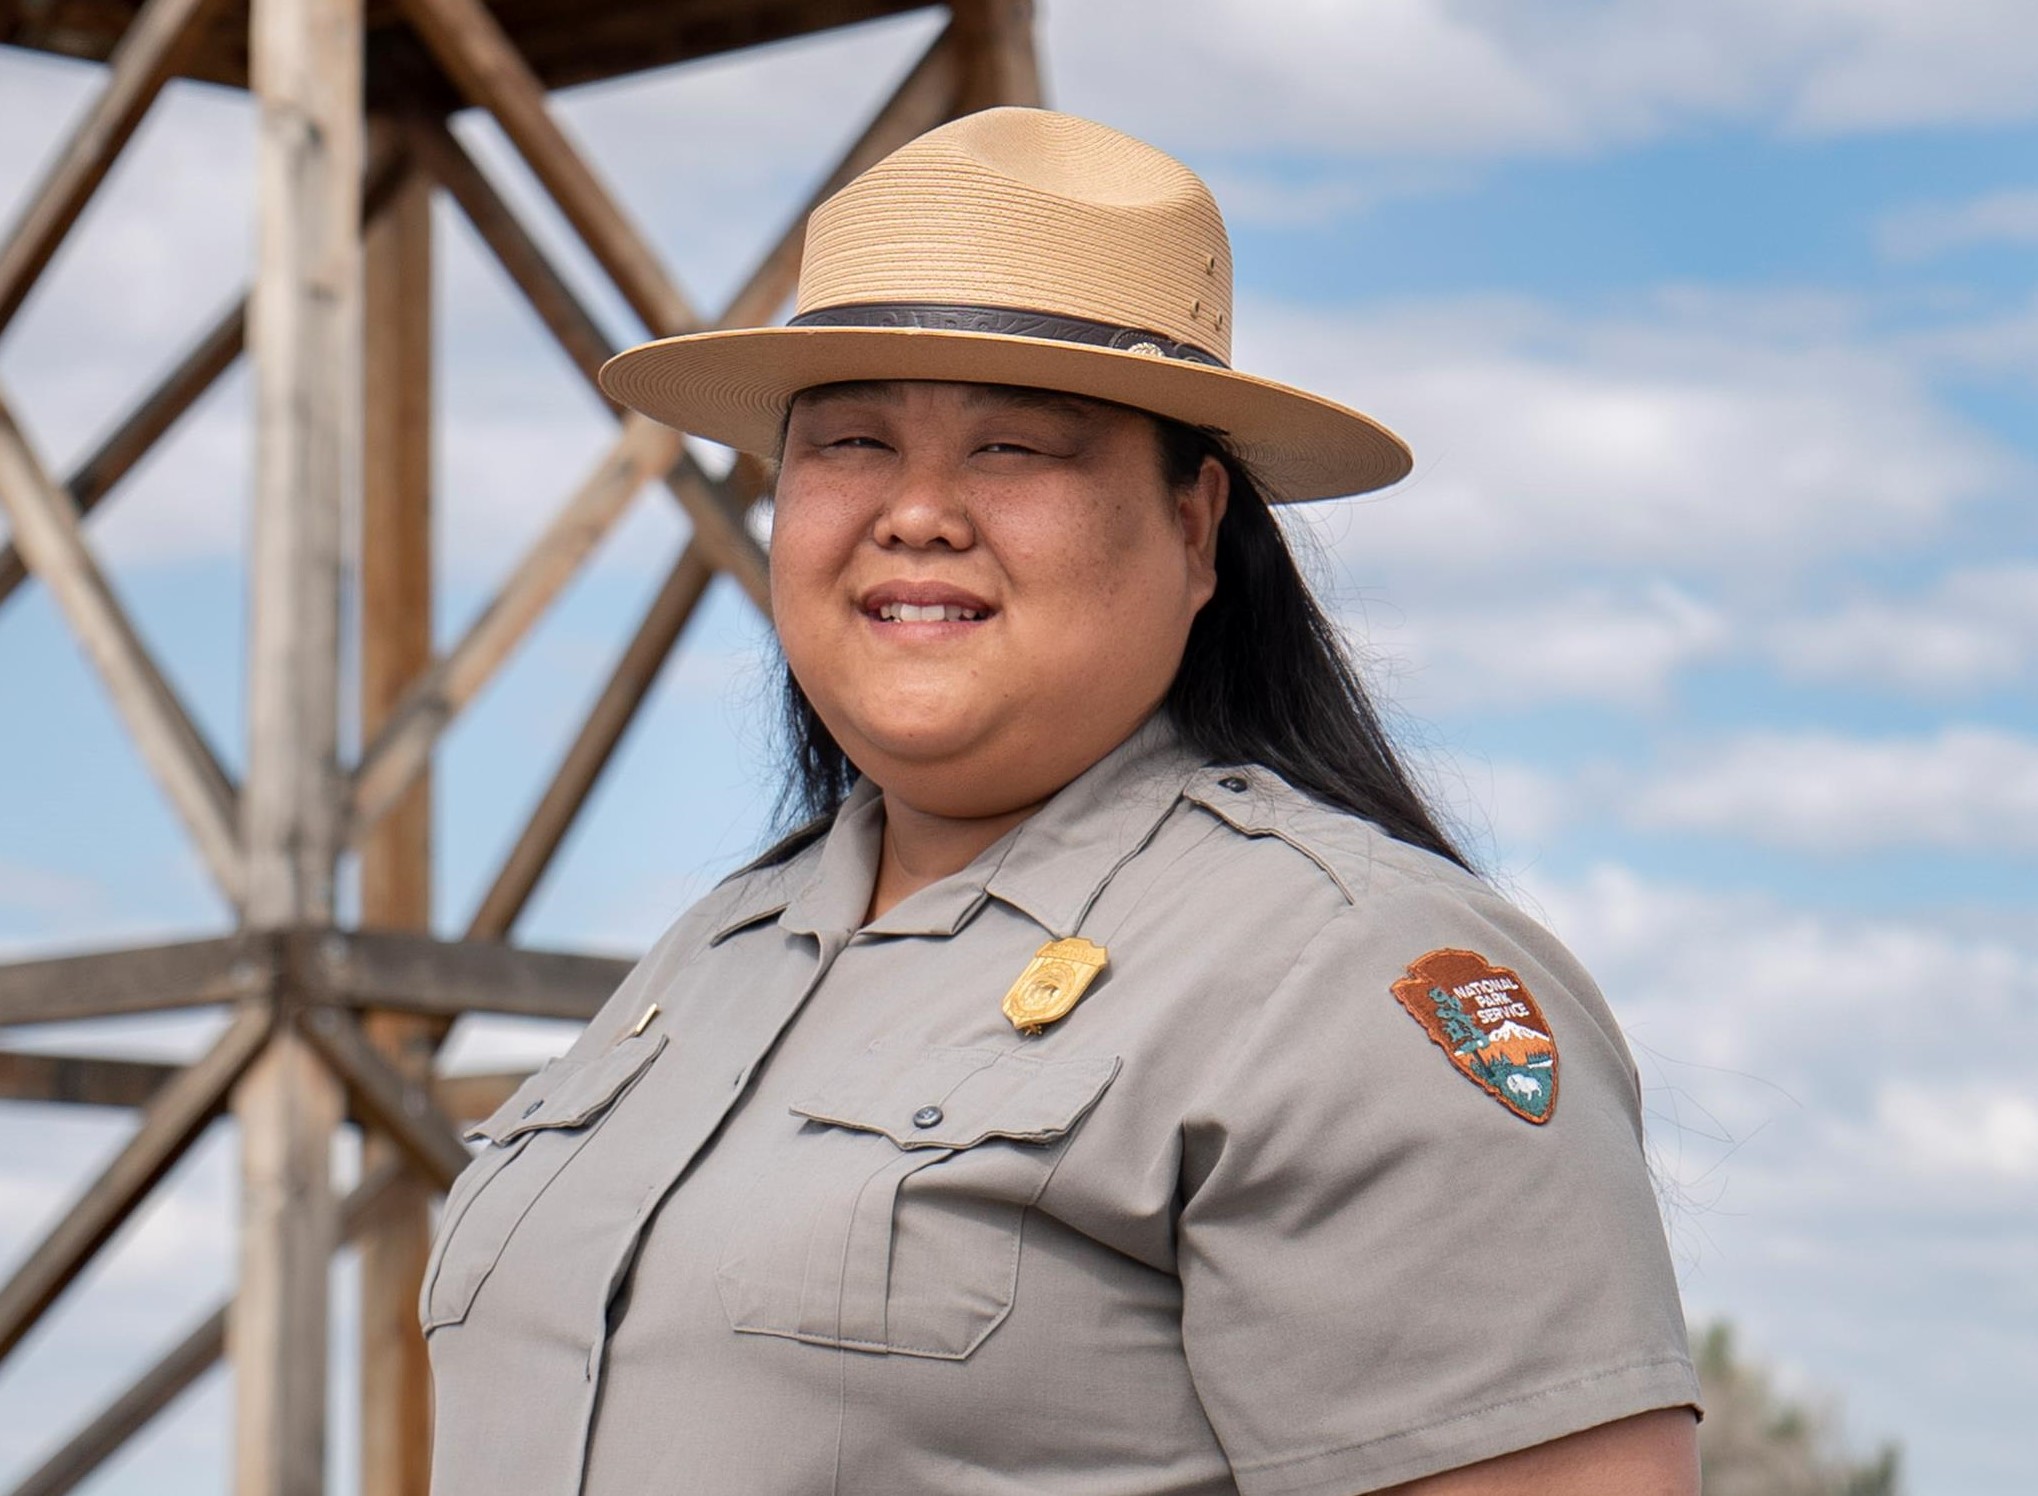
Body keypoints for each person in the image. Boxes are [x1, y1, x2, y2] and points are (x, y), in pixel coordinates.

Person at [419, 107, 1702, 1496]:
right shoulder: (710, 960)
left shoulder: (1340, 974)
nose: (914, 512)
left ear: (1195, 524)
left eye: (1012, 448)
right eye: (847, 443)